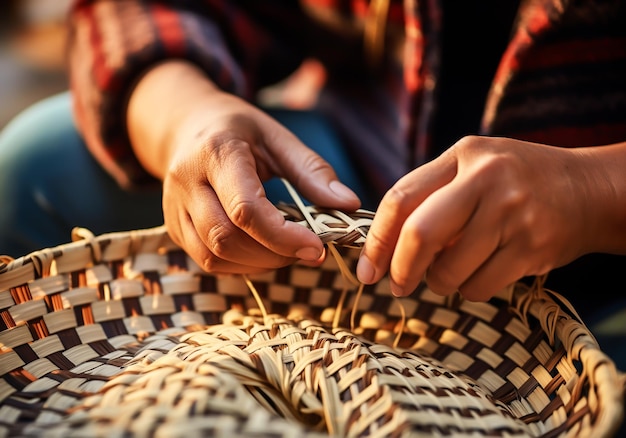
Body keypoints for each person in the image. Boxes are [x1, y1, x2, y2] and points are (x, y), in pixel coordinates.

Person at [0, 1, 625, 366]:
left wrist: (589, 191)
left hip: (603, 280)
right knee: (38, 168)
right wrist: (186, 118)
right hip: (354, 191)